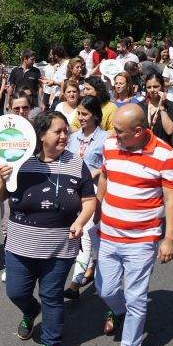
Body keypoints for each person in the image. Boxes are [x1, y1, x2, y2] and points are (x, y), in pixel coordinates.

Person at [0, 111, 96, 346]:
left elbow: (89, 200)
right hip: (19, 245)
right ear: (40, 135)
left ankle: (51, 343)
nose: (64, 136)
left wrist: (80, 221)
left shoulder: (75, 163)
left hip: (60, 247)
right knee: (16, 291)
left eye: (65, 131)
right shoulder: (19, 161)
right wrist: (3, 177)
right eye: (57, 131)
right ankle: (29, 311)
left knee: (52, 296)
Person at [96, 104, 173, 346]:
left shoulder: (165, 155)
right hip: (108, 233)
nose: (113, 135)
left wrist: (168, 239)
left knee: (136, 297)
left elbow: (170, 199)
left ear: (139, 130)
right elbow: (105, 177)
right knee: (105, 289)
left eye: (119, 131)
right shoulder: (110, 145)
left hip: (141, 240)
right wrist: (95, 208)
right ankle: (118, 311)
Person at [0, 91, 40, 283]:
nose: (21, 112)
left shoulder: (38, 131)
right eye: (16, 108)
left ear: (30, 108)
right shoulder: (1, 133)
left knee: (35, 224)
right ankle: (10, 263)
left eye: (25, 107)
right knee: (7, 225)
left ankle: (35, 261)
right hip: (10, 186)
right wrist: (0, 177)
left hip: (35, 186)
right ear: (10, 109)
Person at [63, 96, 108, 300]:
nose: (80, 117)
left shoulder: (106, 138)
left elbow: (109, 166)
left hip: (94, 193)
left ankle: (75, 281)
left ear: (95, 115)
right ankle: (92, 268)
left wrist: (96, 171)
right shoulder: (72, 138)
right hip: (73, 193)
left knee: (88, 232)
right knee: (86, 235)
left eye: (84, 114)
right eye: (78, 113)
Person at [139, 72, 173, 145]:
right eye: (149, 87)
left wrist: (162, 107)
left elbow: (169, 130)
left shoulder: (170, 105)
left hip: (163, 149)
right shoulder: (140, 106)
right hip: (145, 148)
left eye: (155, 86)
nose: (152, 90)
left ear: (162, 87)